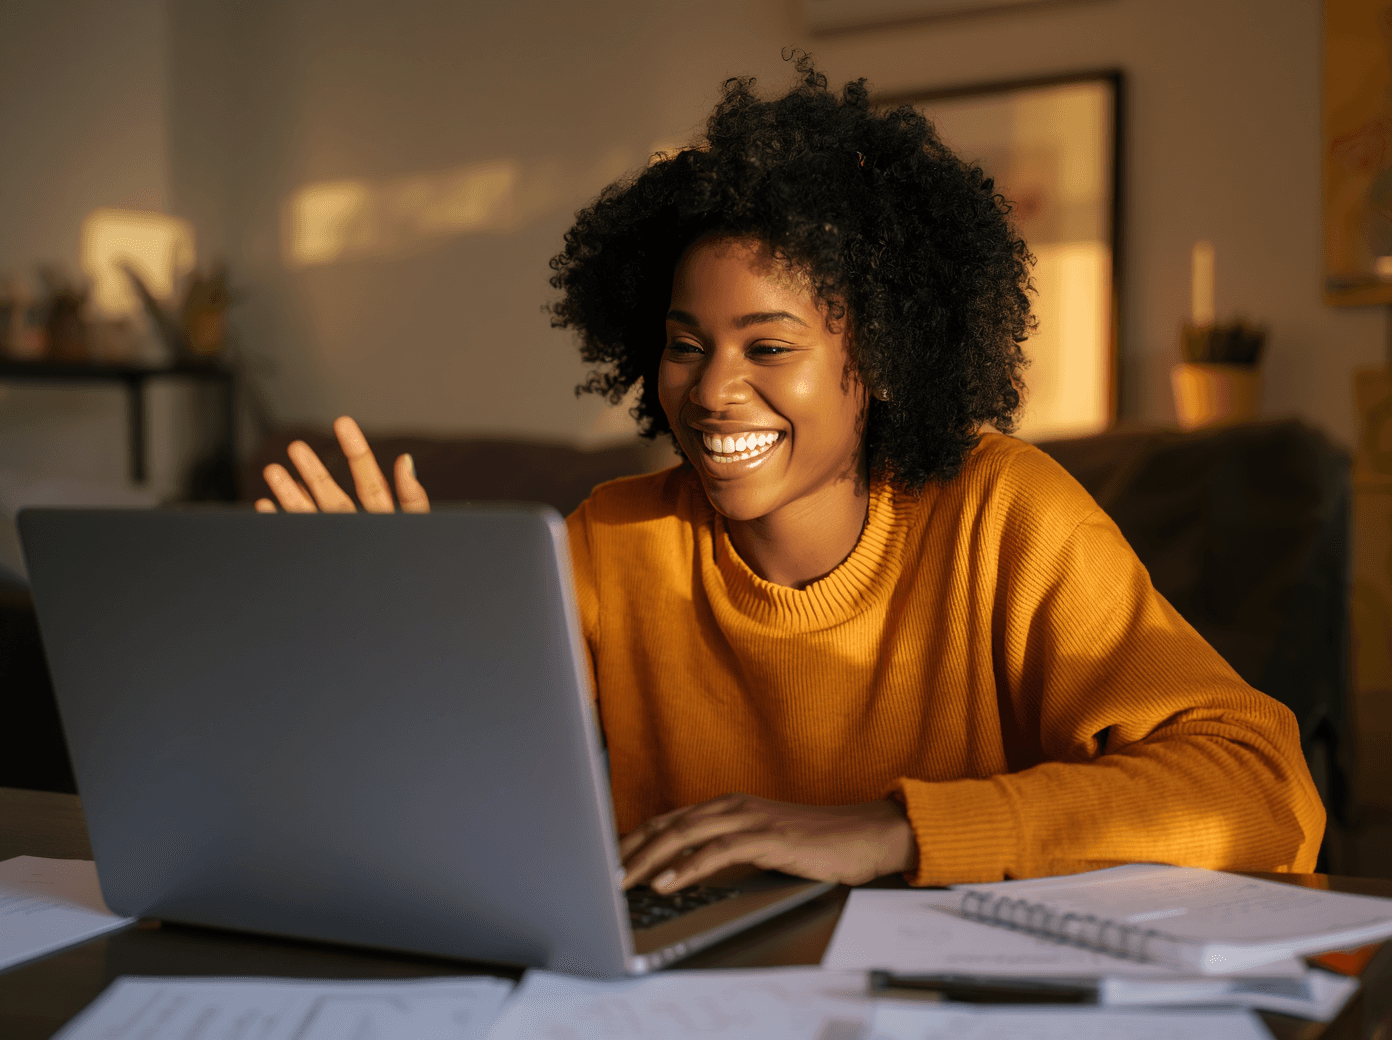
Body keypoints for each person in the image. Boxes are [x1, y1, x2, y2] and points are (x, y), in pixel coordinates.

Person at [256, 57, 1324, 892]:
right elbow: (476, 797)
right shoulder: (610, 537)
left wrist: (894, 829)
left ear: (887, 357)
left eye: (769, 347)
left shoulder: (1007, 512)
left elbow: (1265, 789)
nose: (713, 389)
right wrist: (395, 638)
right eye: (685, 343)